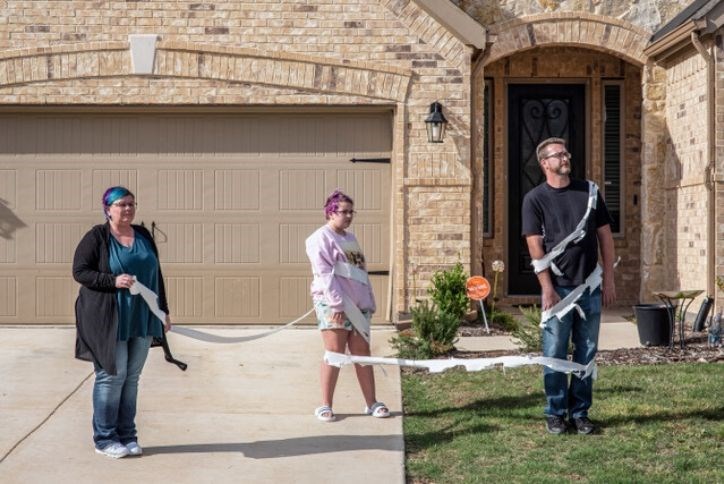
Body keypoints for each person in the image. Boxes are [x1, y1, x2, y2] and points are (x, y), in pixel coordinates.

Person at [522, 137, 616, 435]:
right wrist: (547, 288)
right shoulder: (534, 199)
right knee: (555, 351)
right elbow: (535, 247)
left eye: (566, 152)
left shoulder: (589, 191)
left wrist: (608, 278)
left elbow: (605, 236)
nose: (565, 157)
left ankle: (580, 413)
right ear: (544, 163)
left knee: (586, 352)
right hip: (558, 290)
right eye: (558, 154)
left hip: (589, 286)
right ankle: (555, 413)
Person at [73, 186, 172, 458]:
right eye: (121, 204)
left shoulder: (142, 234)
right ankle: (104, 439)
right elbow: (80, 271)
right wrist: (113, 280)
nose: (127, 209)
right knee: (111, 377)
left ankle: (127, 436)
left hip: (142, 316)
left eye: (131, 204)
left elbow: (156, 274)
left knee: (132, 379)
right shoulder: (97, 237)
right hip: (109, 318)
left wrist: (163, 310)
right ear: (107, 209)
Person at [305, 189, 389, 422]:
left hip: (359, 305)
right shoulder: (319, 239)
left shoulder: (350, 238)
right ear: (330, 213)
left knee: (362, 354)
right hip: (334, 305)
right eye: (344, 212)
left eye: (352, 212)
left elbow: (359, 271)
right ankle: (325, 405)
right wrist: (337, 305)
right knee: (334, 353)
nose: (349, 216)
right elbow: (325, 275)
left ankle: (371, 402)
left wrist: (369, 300)